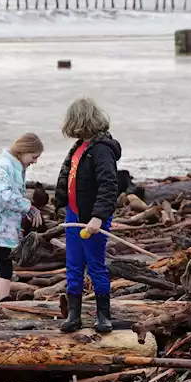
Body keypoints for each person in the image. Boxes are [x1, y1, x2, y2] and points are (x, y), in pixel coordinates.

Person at [54, 97, 122, 334]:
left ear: (82, 121)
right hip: (74, 214)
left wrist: (98, 217)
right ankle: (74, 316)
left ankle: (104, 316)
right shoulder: (80, 147)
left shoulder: (102, 149)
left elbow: (109, 186)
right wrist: (62, 206)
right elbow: (70, 179)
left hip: (92, 218)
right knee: (73, 264)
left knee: (95, 265)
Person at [0, 133, 44, 302]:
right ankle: (1, 304)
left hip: (0, 224)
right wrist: (28, 207)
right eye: (34, 157)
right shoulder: (4, 167)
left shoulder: (15, 166)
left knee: (1, 265)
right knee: (5, 267)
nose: (35, 161)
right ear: (24, 150)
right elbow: (2, 195)